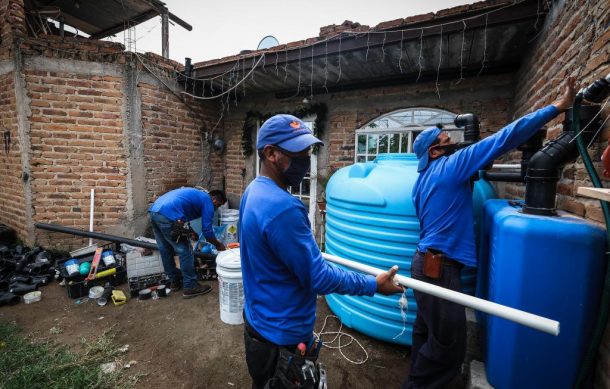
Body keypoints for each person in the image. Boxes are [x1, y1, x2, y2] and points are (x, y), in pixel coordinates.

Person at [404, 78, 577, 388]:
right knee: (447, 347)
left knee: (426, 332)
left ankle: (415, 381)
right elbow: (504, 138)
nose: (452, 139)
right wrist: (557, 108)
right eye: (444, 137)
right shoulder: (452, 165)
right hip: (438, 268)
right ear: (433, 151)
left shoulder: (422, 182)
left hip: (424, 264)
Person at [239, 114, 404, 389]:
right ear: (271, 153)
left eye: (308, 151)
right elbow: (319, 278)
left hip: (258, 325)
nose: (306, 160)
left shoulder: (253, 191)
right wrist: (373, 284)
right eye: (299, 153)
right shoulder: (283, 208)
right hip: (282, 337)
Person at [149, 187, 227, 298]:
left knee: (165, 249)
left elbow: (182, 218)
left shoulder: (198, 196)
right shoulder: (208, 201)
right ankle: (190, 286)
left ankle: (174, 281)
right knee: (185, 251)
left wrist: (192, 232)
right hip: (169, 215)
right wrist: (218, 244)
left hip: (155, 212)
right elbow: (207, 231)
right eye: (218, 205)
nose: (216, 208)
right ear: (214, 198)